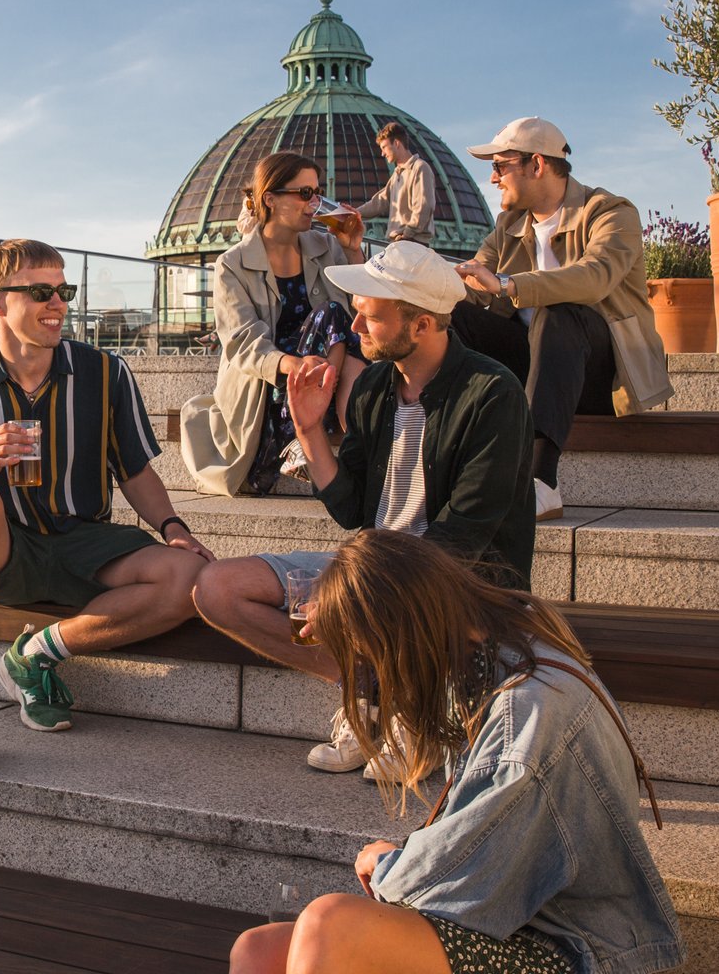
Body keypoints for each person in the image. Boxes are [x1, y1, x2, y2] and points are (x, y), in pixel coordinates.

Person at [228, 530, 683, 974]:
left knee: (332, 924)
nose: (376, 677)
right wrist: (342, 608)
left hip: (567, 946)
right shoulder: (490, 641)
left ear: (403, 635)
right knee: (258, 952)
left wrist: (387, 862)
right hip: (511, 916)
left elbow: (457, 879)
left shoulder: (524, 717)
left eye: (373, 659)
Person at [192, 241, 534, 775]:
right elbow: (352, 508)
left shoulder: (492, 392)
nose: (353, 327)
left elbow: (463, 536)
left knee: (373, 590)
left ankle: (407, 708)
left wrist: (359, 592)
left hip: (460, 579)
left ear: (421, 324)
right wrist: (308, 431)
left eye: (370, 316)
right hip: (378, 563)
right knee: (217, 590)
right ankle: (370, 689)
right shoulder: (376, 384)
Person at [0, 238, 213, 773]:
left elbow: (136, 471)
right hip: (5, 549)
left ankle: (34, 657)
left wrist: (173, 526)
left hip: (86, 542)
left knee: (192, 577)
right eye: (41, 292)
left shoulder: (106, 372)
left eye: (63, 290)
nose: (58, 304)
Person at [450, 117, 671, 522]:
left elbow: (595, 277)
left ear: (537, 165)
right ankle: (444, 448)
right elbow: (474, 281)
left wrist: (505, 283)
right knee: (456, 315)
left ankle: (540, 480)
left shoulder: (610, 213)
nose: (494, 178)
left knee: (559, 310)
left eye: (501, 166)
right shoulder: (509, 227)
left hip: (598, 374)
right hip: (533, 369)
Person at [180, 151, 367, 497]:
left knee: (337, 317)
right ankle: (310, 435)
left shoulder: (327, 246)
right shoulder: (232, 265)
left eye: (318, 193)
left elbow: (362, 318)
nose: (316, 204)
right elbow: (243, 342)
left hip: (322, 381)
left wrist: (353, 252)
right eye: (305, 194)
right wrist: (294, 364)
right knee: (330, 314)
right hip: (270, 397)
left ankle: (351, 440)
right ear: (270, 199)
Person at [355, 122, 437, 245]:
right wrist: (353, 213)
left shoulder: (420, 168)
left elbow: (424, 206)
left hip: (412, 243)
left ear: (397, 143)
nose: (382, 153)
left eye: (384, 147)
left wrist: (407, 234)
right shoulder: (397, 174)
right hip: (400, 243)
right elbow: (379, 202)